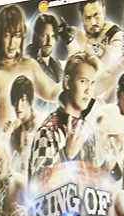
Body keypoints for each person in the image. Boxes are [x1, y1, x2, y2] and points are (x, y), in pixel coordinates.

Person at [0, 4, 61, 150]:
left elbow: (52, 93)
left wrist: (76, 77)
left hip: (32, 151)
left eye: (16, 35)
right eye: (7, 35)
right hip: (7, 154)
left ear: (22, 36)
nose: (12, 43)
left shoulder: (29, 65)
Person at [28, 51, 99, 186]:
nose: (88, 90)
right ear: (67, 82)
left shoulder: (87, 130)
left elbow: (90, 183)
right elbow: (38, 186)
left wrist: (110, 166)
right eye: (83, 81)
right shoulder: (47, 131)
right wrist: (66, 155)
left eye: (92, 83)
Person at [69, 0, 123, 67]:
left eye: (96, 15)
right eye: (88, 18)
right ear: (82, 19)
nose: (93, 22)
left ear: (103, 11)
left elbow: (110, 60)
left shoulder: (115, 32)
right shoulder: (82, 39)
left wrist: (87, 44)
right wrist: (71, 42)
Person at [5, 75, 40, 175]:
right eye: (16, 100)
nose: (18, 106)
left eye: (23, 100)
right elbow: (7, 161)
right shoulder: (16, 126)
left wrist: (35, 140)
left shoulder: (39, 124)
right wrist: (6, 137)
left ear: (30, 100)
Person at [25, 13, 64, 84]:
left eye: (52, 36)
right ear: (35, 37)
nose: (49, 41)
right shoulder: (27, 64)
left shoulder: (57, 65)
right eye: (44, 35)